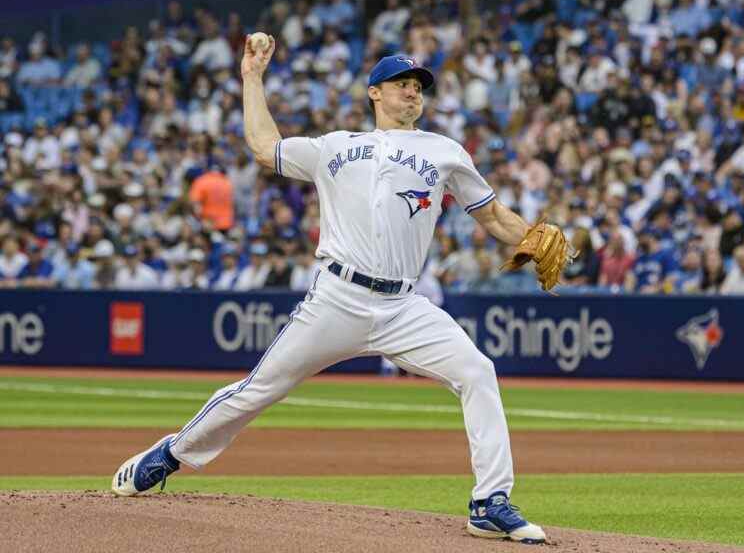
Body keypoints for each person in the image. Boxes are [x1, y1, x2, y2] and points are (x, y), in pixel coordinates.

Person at [112, 38, 554, 545]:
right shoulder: (335, 146)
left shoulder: (445, 151)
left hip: (403, 306)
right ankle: (171, 453)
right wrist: (252, 78)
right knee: (259, 389)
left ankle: (488, 501)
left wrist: (533, 237)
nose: (413, 93)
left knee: (478, 372)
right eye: (402, 85)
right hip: (337, 299)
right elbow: (264, 147)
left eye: (418, 87)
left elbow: (494, 215)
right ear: (374, 93)